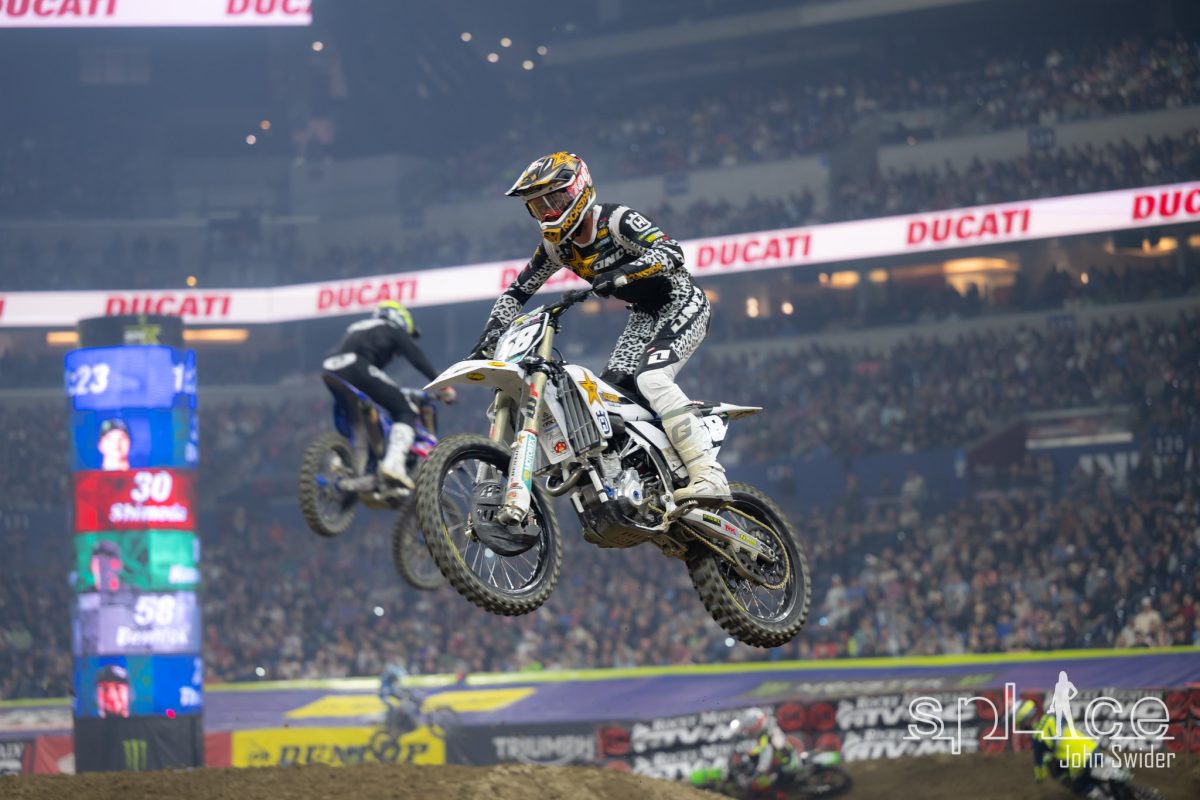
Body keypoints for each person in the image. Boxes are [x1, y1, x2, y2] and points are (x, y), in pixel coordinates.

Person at [467, 151, 728, 503]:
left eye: (554, 201)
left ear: (578, 190)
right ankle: (650, 474)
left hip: (681, 301)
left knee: (652, 379)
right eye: (538, 206)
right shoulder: (556, 248)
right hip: (643, 315)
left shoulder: (616, 220)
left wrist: (622, 274)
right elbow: (517, 291)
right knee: (609, 398)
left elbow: (671, 252)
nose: (548, 213)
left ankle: (709, 474)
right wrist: (490, 333)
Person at [323, 301, 455, 488]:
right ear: (399, 319)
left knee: (361, 418)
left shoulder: (359, 327)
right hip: (357, 367)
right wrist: (444, 385)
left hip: (331, 368)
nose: (396, 355)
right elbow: (417, 358)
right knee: (405, 409)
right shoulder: (392, 328)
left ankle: (347, 464)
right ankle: (394, 464)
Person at [1015, 699, 1102, 798]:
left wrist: (1039, 778)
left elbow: (1040, 766)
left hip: (1079, 762)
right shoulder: (1053, 715)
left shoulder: (1036, 739)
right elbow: (1071, 720)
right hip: (1092, 748)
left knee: (1078, 788)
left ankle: (1098, 795)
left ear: (1025, 722)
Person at [727, 707, 803, 795]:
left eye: (749, 726)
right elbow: (760, 750)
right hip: (774, 767)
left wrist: (755, 775)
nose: (748, 730)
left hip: (785, 767)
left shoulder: (772, 732)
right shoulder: (762, 733)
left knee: (757, 787)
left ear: (757, 723)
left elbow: (768, 753)